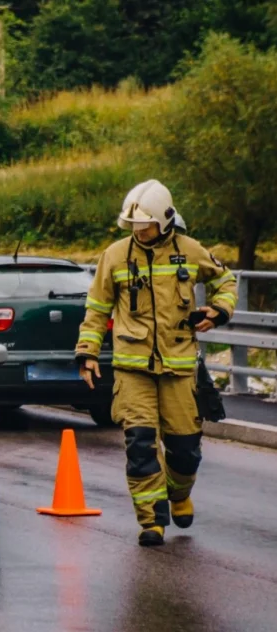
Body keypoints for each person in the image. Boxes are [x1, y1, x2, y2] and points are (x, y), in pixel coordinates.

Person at [75, 180, 238, 547]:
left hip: (179, 368)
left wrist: (219, 310)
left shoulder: (189, 250)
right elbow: (97, 310)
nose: (139, 232)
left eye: (145, 226)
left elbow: (225, 280)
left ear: (164, 221)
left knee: (185, 449)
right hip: (133, 372)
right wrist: (87, 352)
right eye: (133, 226)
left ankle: (179, 494)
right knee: (140, 444)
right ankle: (152, 520)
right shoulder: (114, 257)